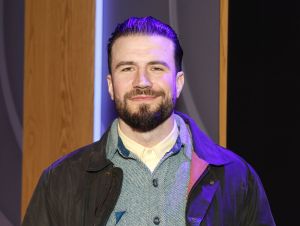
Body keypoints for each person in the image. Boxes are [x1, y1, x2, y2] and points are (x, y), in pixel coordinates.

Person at [22, 16, 275, 226]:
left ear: (178, 82)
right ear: (111, 86)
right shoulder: (61, 181)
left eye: (156, 68)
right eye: (127, 68)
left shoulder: (235, 178)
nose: (142, 81)